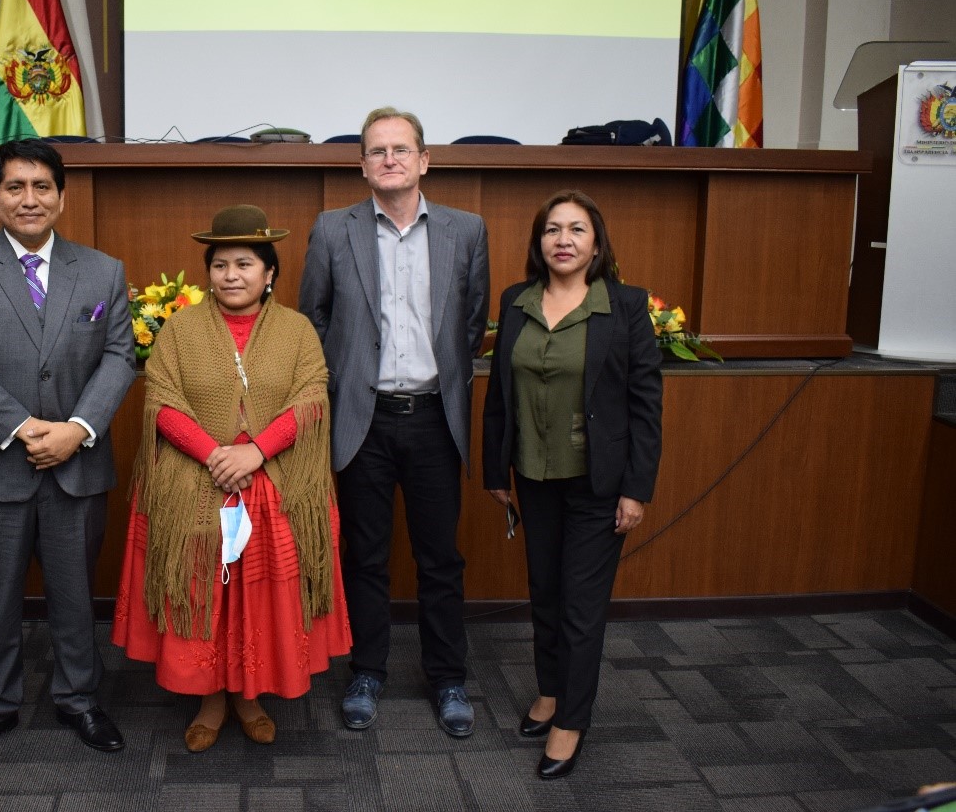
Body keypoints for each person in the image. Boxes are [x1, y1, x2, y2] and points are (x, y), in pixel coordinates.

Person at [113, 205, 351, 752]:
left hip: (273, 487)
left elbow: (312, 397)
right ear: (209, 272)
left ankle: (249, 695)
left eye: (245, 263)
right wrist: (214, 453)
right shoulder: (182, 329)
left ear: (270, 273)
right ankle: (210, 699)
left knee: (256, 597)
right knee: (206, 592)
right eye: (220, 264)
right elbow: (162, 400)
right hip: (195, 483)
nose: (232, 275)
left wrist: (257, 452)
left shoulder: (296, 331)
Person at [0, 137, 134, 763]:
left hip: (78, 462)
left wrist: (76, 428)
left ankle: (80, 698)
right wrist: (23, 428)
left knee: (75, 594)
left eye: (42, 186)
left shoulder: (102, 270)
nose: (30, 198)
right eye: (15, 187)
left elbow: (120, 356)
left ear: (62, 197)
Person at [299, 106, 489, 737]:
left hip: (436, 416)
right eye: (376, 150)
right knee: (366, 556)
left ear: (424, 160)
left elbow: (468, 326)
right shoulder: (332, 229)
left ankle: (448, 677)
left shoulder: (467, 230)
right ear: (362, 164)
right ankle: (367, 671)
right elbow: (313, 323)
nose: (389, 159)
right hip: (364, 419)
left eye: (400, 149)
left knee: (440, 559)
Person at [481, 190, 662, 779]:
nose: (563, 239)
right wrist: (495, 472)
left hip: (599, 483)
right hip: (533, 476)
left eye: (576, 230)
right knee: (546, 593)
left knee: (582, 607)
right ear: (538, 242)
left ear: (596, 243)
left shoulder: (626, 307)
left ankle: (571, 720)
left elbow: (645, 406)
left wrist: (636, 489)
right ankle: (552, 690)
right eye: (552, 229)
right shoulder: (516, 301)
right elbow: (499, 396)